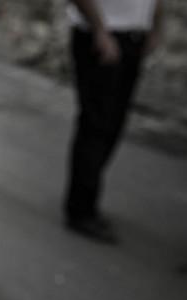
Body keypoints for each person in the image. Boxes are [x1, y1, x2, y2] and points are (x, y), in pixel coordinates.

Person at [64, 0, 162, 243]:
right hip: (102, 35)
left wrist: (154, 26)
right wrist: (100, 30)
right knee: (96, 121)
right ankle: (81, 208)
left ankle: (86, 195)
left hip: (132, 36)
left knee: (114, 123)